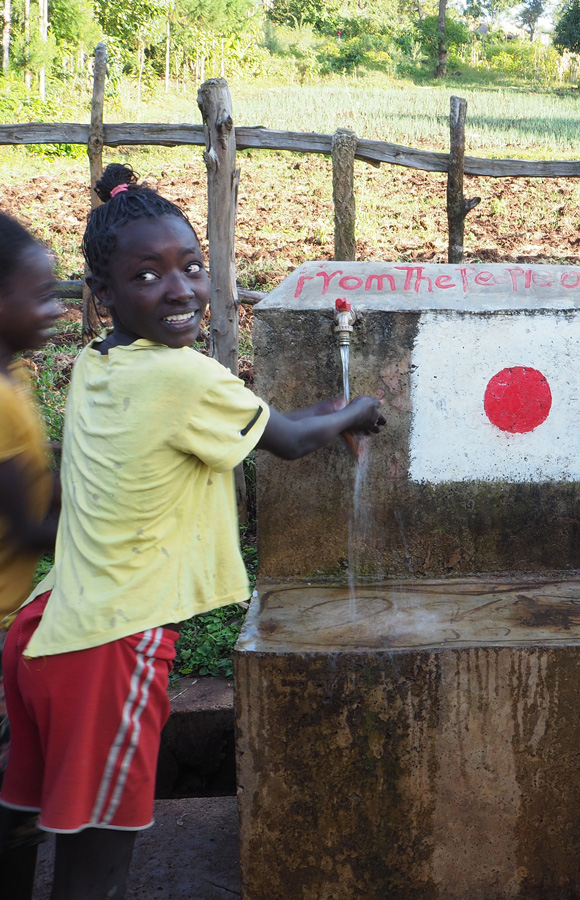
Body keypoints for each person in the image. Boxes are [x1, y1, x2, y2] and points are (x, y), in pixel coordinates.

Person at [0, 164, 385, 900]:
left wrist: (319, 413)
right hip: (110, 644)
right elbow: (289, 441)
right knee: (96, 868)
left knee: (46, 835)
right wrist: (355, 410)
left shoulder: (97, 363)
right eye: (149, 276)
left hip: (46, 630)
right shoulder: (184, 378)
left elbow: (246, 422)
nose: (179, 290)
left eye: (192, 267)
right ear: (103, 296)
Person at [0, 211, 63, 900]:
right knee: (13, 807)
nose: (55, 310)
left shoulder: (13, 378)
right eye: (41, 296)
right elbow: (29, 527)